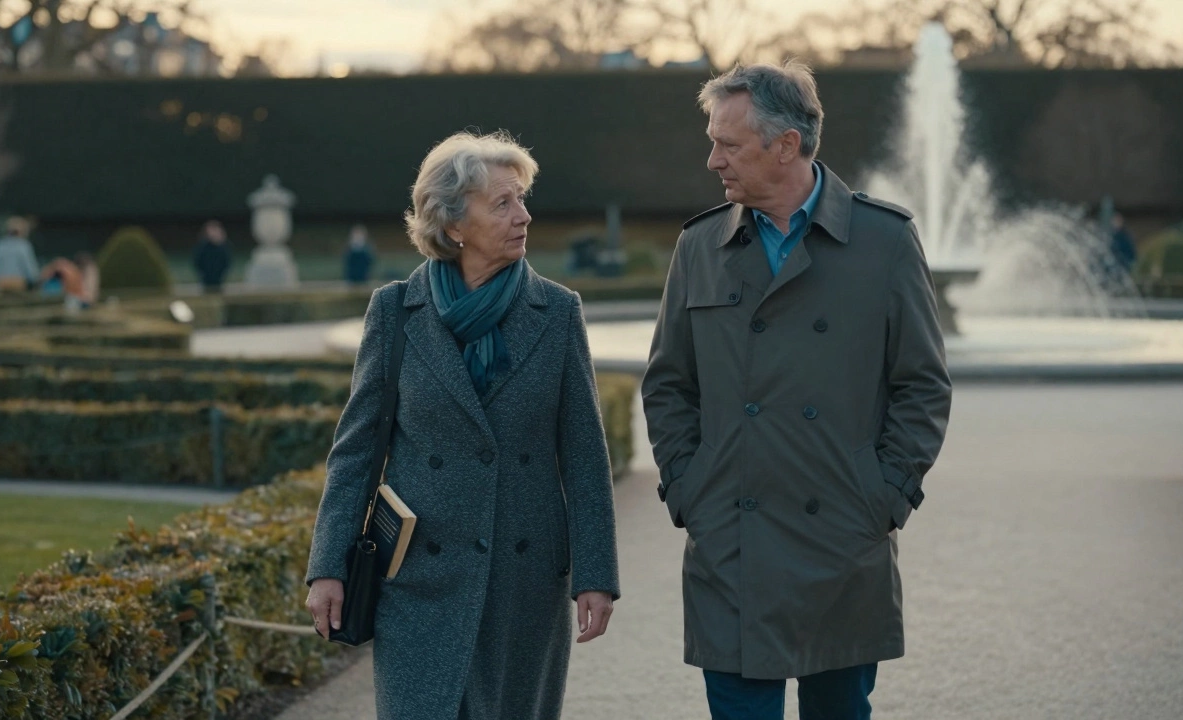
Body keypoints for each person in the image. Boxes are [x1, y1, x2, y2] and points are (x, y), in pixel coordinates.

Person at [642, 61, 952, 720]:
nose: (712, 160)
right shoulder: (700, 245)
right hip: (732, 546)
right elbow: (669, 383)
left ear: (785, 145)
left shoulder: (884, 241)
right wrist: (690, 488)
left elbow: (922, 385)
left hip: (842, 545)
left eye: (728, 144)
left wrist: (884, 495)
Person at [305, 131, 620, 719]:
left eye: (523, 199)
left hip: (524, 579)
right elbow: (354, 453)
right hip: (417, 578)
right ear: (453, 224)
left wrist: (596, 575)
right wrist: (327, 566)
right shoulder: (395, 311)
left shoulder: (557, 312)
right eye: (502, 203)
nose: (524, 215)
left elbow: (583, 455)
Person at [0, 216, 40, 293]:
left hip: (0, 282)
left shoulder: (0, 244)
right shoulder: (23, 245)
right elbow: (30, 267)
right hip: (18, 282)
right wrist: (36, 280)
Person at [193, 220, 231, 293]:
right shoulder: (202, 247)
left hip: (219, 280)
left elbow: (226, 262)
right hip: (206, 280)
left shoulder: (224, 247)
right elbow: (197, 261)